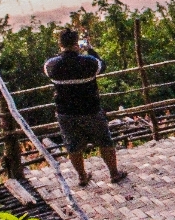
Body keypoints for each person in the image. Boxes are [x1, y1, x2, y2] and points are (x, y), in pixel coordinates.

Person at [44, 28, 127, 187]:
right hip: (91, 110)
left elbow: (51, 66)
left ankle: (82, 176)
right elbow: (101, 65)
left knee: (73, 145)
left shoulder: (51, 65)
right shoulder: (89, 63)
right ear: (77, 44)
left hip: (66, 113)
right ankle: (114, 173)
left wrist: (65, 53)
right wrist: (89, 49)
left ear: (60, 44)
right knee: (105, 142)